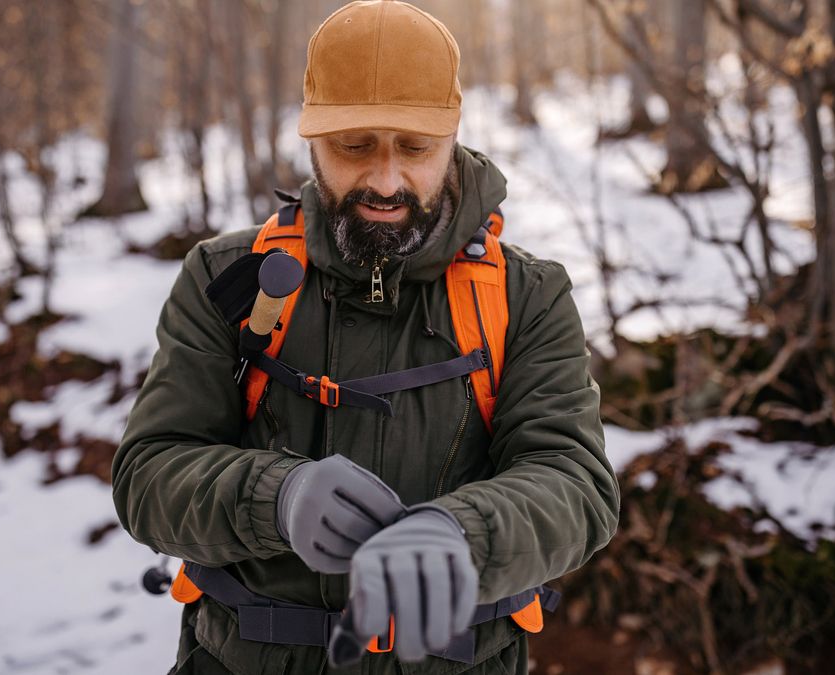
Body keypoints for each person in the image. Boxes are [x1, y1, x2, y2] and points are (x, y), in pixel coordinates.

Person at [112, 1, 620, 673]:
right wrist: (276, 497)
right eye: (354, 147)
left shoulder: (526, 294)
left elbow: (576, 483)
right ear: (311, 138)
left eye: (415, 148)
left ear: (454, 136)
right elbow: (147, 474)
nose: (385, 180)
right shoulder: (228, 277)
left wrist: (462, 536)